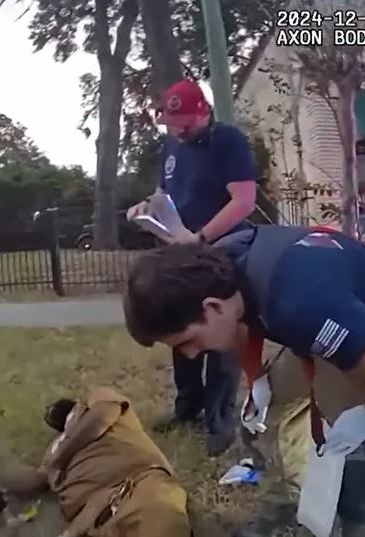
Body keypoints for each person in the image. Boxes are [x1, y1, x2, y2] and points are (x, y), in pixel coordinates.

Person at [122, 226, 365, 537]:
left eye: (187, 341)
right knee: (264, 421)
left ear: (212, 307)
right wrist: (258, 381)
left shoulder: (299, 302)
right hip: (320, 332)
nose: (190, 355)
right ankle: (282, 509)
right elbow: (243, 326)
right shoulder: (223, 267)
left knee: (356, 469)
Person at [126, 78, 259, 455]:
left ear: (204, 110)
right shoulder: (172, 144)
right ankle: (187, 407)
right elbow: (164, 194)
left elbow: (243, 201)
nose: (178, 130)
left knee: (219, 336)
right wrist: (147, 208)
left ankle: (220, 420)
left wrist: (200, 238)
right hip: (178, 253)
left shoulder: (228, 142)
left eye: (185, 121)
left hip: (219, 250)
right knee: (179, 327)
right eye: (172, 123)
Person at [0, 387, 191, 537]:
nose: (48, 411)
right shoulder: (54, 448)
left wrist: (61, 458)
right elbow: (38, 479)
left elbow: (102, 418)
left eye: (51, 408)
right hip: (92, 520)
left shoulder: (92, 402)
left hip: (136, 489)